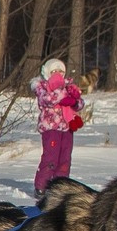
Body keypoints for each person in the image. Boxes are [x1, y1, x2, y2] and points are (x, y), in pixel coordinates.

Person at [31, 58, 84, 193]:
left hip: (67, 127)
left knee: (65, 158)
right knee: (51, 158)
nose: (58, 74)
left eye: (61, 71)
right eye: (54, 71)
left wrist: (74, 100)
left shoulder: (68, 87)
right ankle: (42, 186)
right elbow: (47, 100)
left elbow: (80, 103)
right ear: (48, 72)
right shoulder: (42, 87)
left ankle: (60, 186)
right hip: (51, 128)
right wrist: (62, 92)